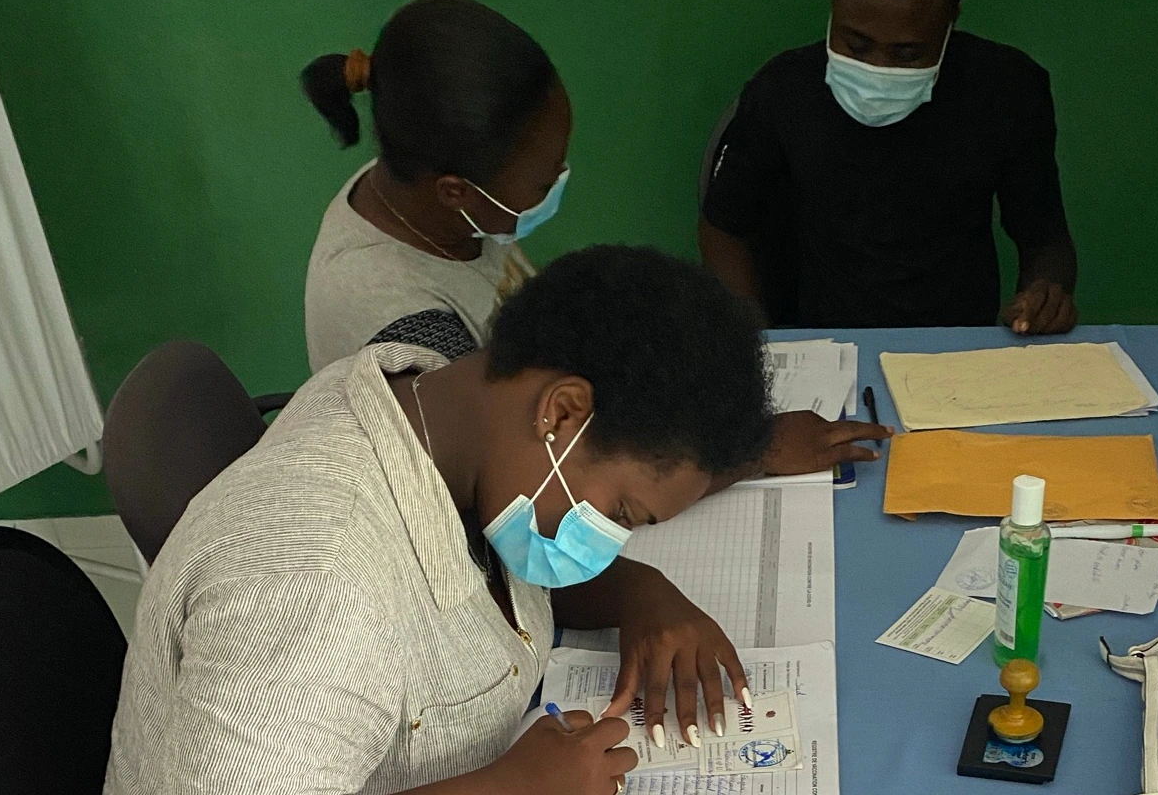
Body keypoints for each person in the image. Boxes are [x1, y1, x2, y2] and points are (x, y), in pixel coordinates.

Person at [106, 245, 777, 795]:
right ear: (562, 413)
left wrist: (639, 591)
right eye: (621, 513)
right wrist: (512, 790)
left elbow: (474, 584)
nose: (608, 542)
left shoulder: (434, 406)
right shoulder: (316, 585)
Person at [301, 0, 887, 479]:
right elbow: (513, 490)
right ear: (456, 190)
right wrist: (748, 453)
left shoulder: (421, 193)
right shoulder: (396, 320)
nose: (560, 181)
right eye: (541, 178)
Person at [699, 0, 1078, 334]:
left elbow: (1045, 242)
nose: (879, 68)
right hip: (828, 349)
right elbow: (722, 226)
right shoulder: (783, 92)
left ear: (951, 19)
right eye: (856, 45)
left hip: (959, 354)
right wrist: (755, 338)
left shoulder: (1008, 92)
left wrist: (1044, 296)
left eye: (908, 53)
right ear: (834, 3)